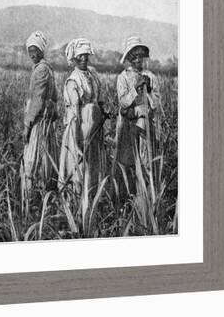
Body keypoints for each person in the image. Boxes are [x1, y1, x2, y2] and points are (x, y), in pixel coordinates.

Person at [58, 38, 106, 199]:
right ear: (74, 58)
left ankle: (93, 200)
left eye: (86, 55)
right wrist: (77, 143)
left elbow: (99, 99)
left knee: (93, 167)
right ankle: (75, 204)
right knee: (78, 168)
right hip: (79, 130)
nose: (84, 59)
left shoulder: (92, 74)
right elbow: (74, 115)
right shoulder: (73, 81)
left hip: (94, 129)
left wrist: (102, 112)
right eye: (80, 56)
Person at [114, 36, 161, 198]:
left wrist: (147, 90)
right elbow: (123, 103)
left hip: (146, 126)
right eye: (134, 56)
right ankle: (128, 199)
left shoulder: (151, 77)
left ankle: (147, 199)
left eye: (141, 56)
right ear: (129, 58)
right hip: (128, 126)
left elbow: (155, 105)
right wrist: (135, 88)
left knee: (147, 161)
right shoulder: (123, 78)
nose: (138, 60)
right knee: (128, 163)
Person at [21, 31, 59, 192]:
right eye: (30, 51)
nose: (32, 54)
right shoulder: (45, 68)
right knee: (45, 158)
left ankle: (32, 200)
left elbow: (38, 100)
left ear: (42, 51)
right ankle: (43, 195)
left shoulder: (42, 70)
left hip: (39, 122)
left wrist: (27, 125)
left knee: (33, 160)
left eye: (35, 50)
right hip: (45, 121)